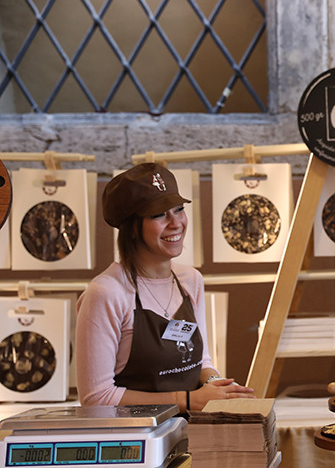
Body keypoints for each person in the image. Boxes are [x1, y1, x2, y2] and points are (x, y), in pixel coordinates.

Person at [76, 162, 254, 411]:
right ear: (131, 228)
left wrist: (217, 386)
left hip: (189, 430)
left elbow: (201, 362)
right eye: (159, 215)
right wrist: (187, 400)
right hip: (134, 434)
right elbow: (97, 397)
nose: (176, 223)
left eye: (179, 210)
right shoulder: (106, 293)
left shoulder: (191, 280)